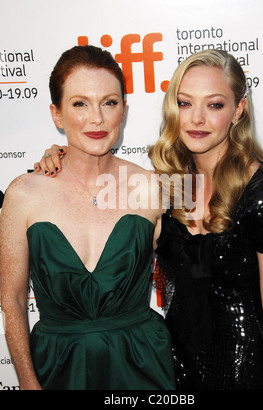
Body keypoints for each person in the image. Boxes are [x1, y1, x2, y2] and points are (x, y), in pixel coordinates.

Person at [0, 45, 175, 390]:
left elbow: (194, 277)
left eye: (109, 103)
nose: (96, 118)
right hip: (57, 370)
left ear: (123, 111)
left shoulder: (157, 187)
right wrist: (27, 382)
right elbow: (13, 300)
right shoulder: (22, 194)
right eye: (80, 103)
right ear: (57, 114)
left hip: (144, 368)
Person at [148, 49, 263, 390]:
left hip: (243, 369)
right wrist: (64, 155)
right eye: (185, 103)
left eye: (214, 105)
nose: (196, 119)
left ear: (238, 110)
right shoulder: (173, 182)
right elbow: (99, 189)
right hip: (178, 367)